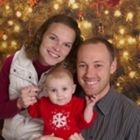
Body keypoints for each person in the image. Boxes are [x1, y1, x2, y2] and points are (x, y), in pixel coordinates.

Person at [0, 14, 83, 140]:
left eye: (66, 45)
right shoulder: (13, 62)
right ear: (41, 35)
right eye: (53, 38)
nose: (57, 48)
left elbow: (75, 116)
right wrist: (18, 103)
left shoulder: (70, 76)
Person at [69, 37, 140, 140]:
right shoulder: (64, 102)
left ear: (112, 66)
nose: (89, 74)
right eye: (83, 65)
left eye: (98, 65)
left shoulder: (133, 117)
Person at [28, 64, 97, 140]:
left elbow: (85, 122)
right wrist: (31, 97)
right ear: (47, 92)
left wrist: (89, 107)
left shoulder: (77, 104)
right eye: (53, 90)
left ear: (73, 89)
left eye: (64, 89)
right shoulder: (44, 103)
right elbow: (33, 112)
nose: (59, 94)